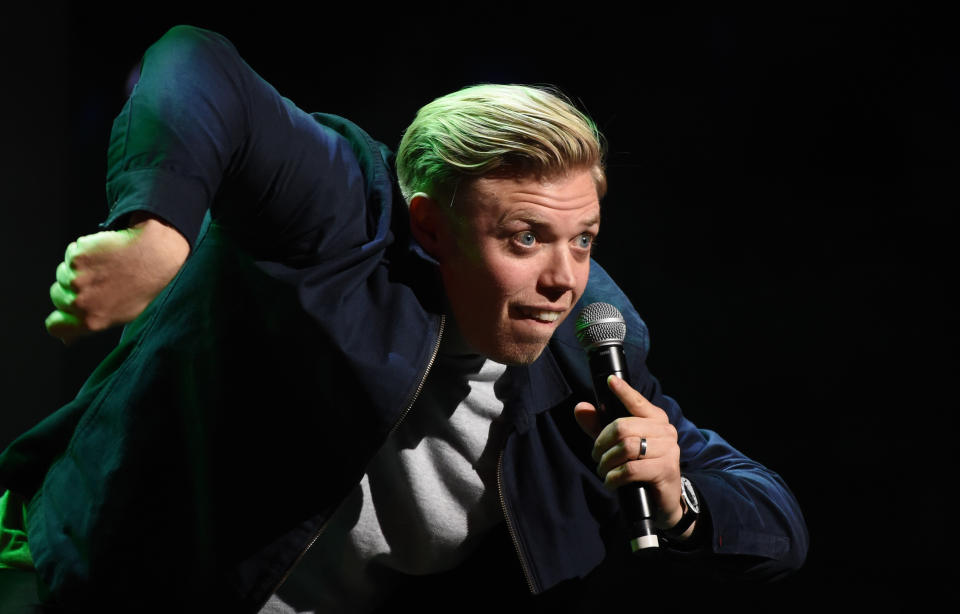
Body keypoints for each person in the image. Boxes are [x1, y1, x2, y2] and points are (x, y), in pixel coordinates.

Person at [0, 25, 807, 612]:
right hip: (77, 574)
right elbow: (193, 61)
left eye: (583, 238)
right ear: (429, 227)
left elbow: (775, 519)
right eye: (525, 237)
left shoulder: (592, 360)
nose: (563, 279)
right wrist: (156, 230)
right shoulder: (348, 217)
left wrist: (680, 500)